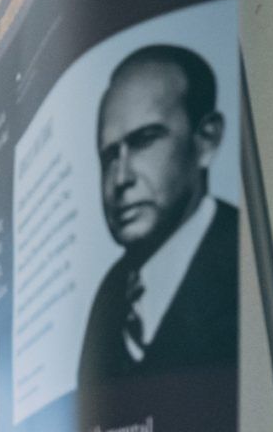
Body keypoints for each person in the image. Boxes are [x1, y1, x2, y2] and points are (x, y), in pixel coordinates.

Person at [78, 44, 238, 381]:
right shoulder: (110, 298)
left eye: (144, 141)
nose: (121, 178)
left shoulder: (245, 260)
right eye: (109, 156)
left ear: (206, 140)